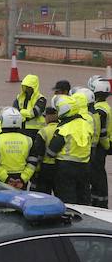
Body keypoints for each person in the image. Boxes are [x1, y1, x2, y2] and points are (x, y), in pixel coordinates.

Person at [46, 95, 92, 205]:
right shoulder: (85, 124)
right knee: (84, 197)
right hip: (85, 166)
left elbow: (51, 152)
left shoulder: (63, 129)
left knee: (67, 199)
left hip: (66, 168)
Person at [0, 107, 43, 189]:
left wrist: (6, 179)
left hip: (2, 180)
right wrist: (23, 179)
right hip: (21, 181)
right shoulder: (28, 140)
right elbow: (33, 162)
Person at [88, 77, 111, 208]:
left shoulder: (99, 110)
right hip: (104, 145)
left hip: (100, 146)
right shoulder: (106, 107)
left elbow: (102, 132)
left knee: (97, 175)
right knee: (99, 173)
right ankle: (99, 200)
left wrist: (106, 145)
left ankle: (99, 202)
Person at [34, 100, 60, 195]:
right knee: (60, 193)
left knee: (43, 194)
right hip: (60, 165)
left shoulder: (43, 131)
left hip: (46, 167)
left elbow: (39, 152)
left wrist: (36, 170)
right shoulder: (62, 128)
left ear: (48, 117)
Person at [13, 74, 47, 140]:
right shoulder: (19, 97)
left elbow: (35, 113)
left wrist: (20, 111)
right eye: (25, 86)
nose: (27, 89)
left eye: (29, 87)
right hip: (20, 129)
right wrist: (26, 114)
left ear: (34, 87)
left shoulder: (41, 99)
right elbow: (14, 111)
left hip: (35, 130)